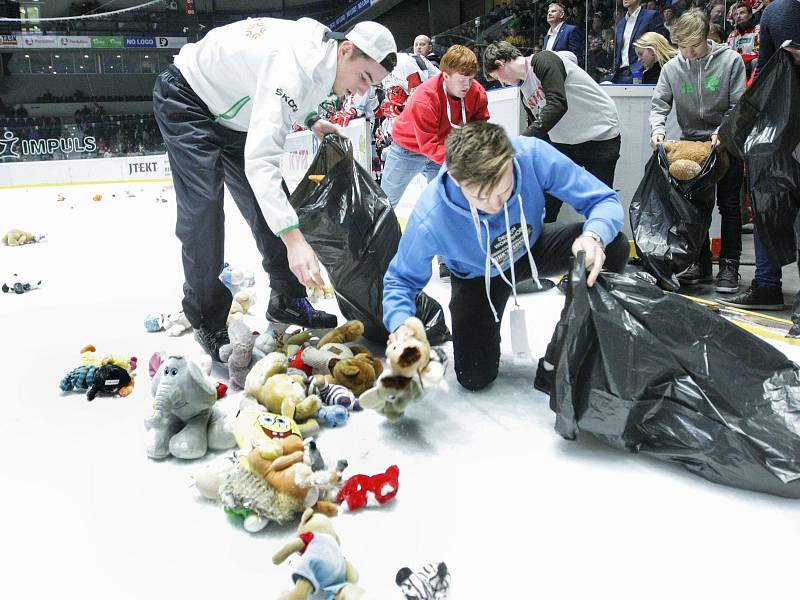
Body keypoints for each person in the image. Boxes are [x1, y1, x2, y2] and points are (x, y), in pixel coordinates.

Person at [153, 18, 397, 360]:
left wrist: (313, 120)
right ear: (346, 50)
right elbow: (261, 162)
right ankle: (206, 316)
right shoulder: (293, 66)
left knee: (270, 203)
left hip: (236, 115)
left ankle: (288, 299)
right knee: (204, 207)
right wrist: (294, 241)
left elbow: (292, 94)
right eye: (363, 77)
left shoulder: (322, 51)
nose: (363, 91)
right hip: (188, 97)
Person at [381, 121, 629, 393]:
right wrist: (401, 326)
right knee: (474, 378)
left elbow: (604, 200)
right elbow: (400, 281)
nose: (496, 206)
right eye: (482, 198)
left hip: (531, 245)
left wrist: (593, 236)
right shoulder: (432, 216)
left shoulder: (531, 155)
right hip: (478, 276)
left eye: (504, 191)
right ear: (456, 179)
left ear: (512, 159)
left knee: (612, 244)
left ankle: (562, 353)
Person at [649, 9, 746, 293]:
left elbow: (738, 106)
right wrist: (657, 130)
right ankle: (699, 262)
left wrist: (723, 133)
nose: (688, 53)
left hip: (726, 144)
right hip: (691, 145)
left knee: (729, 207)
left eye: (694, 46)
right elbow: (659, 105)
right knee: (693, 206)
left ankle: (729, 265)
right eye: (682, 47)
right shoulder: (672, 68)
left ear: (706, 38)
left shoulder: (731, 61)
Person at [719, 0, 800, 313]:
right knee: (767, 198)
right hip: (780, 122)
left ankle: (767, 285)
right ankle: (766, 285)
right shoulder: (778, 11)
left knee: (769, 198)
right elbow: (766, 70)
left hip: (780, 122)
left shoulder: (778, 11)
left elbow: (766, 69)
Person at [482, 41, 621, 223]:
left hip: (600, 136)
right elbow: (541, 132)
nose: (502, 83)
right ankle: (541, 248)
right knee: (548, 200)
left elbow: (557, 104)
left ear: (500, 64)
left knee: (599, 200)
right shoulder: (525, 92)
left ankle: (605, 247)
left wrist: (517, 143)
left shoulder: (543, 60)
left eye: (498, 77)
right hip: (566, 143)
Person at [379, 45, 489, 208]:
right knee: (385, 203)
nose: (467, 86)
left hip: (443, 147)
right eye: (461, 80)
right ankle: (371, 232)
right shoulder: (425, 99)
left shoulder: (477, 93)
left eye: (470, 79)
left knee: (445, 201)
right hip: (407, 148)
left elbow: (480, 125)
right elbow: (428, 145)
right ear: (445, 76)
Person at [611, 0, 667, 83]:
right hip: (619, 74)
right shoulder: (621, 23)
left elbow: (659, 45)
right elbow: (618, 52)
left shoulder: (651, 16)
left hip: (642, 74)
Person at [726, 1, 760, 78]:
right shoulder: (732, 34)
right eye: (736, 14)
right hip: (736, 65)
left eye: (742, 13)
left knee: (755, 61)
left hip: (750, 65)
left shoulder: (758, 29)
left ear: (750, 14)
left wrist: (742, 59)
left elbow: (757, 52)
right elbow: (727, 53)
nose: (738, 16)